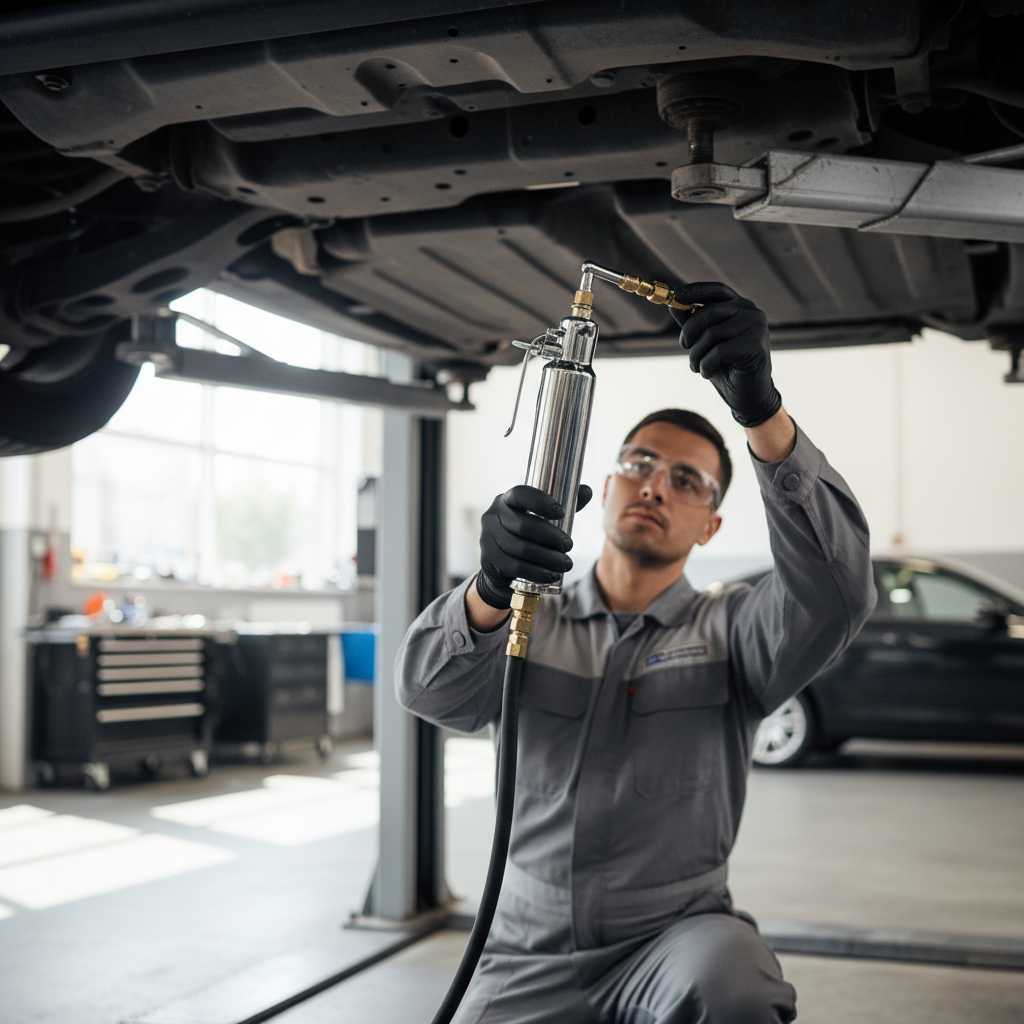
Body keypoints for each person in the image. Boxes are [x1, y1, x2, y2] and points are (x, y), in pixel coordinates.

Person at [396, 282, 876, 1023]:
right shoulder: (528, 617)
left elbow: (838, 593)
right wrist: (487, 589)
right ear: (608, 480)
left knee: (735, 985)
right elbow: (429, 692)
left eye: (687, 481)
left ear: (710, 527)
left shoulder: (734, 632)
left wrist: (763, 415)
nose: (655, 485)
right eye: (640, 463)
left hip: (673, 937)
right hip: (525, 945)